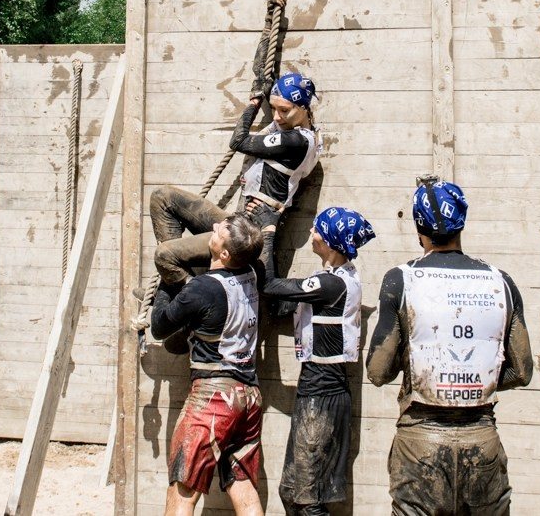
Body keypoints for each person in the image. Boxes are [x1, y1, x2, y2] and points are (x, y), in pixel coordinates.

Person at [367, 177, 534, 516]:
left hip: (420, 444)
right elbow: (523, 370)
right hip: (482, 441)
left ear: (418, 228)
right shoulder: (501, 281)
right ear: (462, 223)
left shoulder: (401, 279)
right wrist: (473, 376)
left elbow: (378, 371)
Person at [138, 68, 321, 339]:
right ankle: (178, 288)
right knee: (163, 198)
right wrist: (263, 81)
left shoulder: (296, 140)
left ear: (304, 109)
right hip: (238, 218)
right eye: (274, 110)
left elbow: (238, 140)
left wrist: (253, 104)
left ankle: (189, 299)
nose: (278, 117)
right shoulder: (285, 128)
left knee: (165, 255)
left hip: (251, 230)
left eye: (285, 111)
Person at [150, 213, 266, 516]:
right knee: (242, 485)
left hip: (214, 398)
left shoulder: (203, 288)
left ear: (225, 253)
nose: (212, 227)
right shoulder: (252, 272)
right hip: (249, 396)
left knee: (183, 489)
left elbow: (159, 326)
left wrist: (168, 285)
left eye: (220, 231)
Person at [262, 206, 375, 516]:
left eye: (316, 229)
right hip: (313, 390)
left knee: (309, 501)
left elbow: (271, 286)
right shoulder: (328, 278)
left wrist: (268, 236)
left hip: (323, 396)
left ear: (331, 240)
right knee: (290, 491)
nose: (311, 234)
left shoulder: (331, 285)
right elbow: (282, 305)